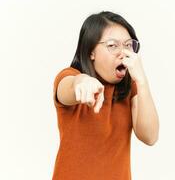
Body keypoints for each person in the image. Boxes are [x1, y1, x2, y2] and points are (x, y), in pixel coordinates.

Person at [52, 11, 159, 180]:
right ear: (90, 52)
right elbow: (67, 88)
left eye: (128, 45)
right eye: (112, 45)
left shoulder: (130, 89)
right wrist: (81, 81)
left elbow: (150, 136)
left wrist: (142, 80)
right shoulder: (70, 76)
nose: (122, 52)